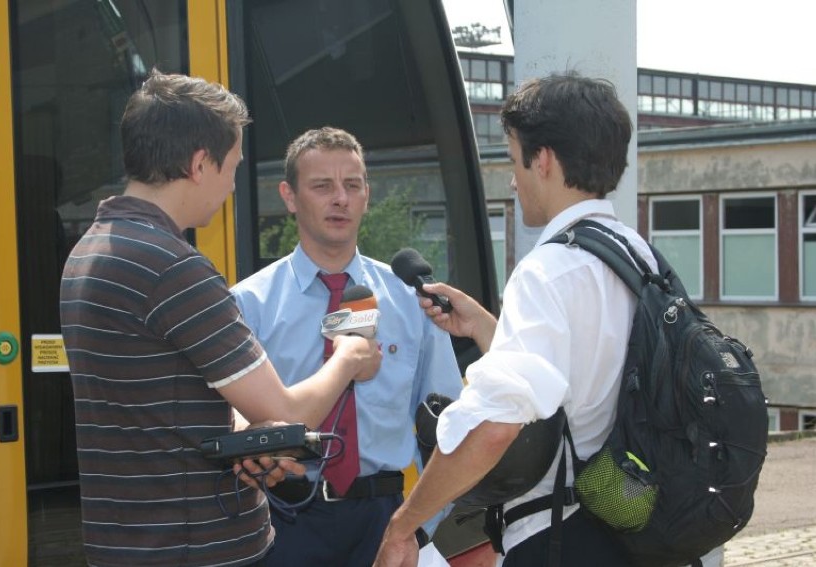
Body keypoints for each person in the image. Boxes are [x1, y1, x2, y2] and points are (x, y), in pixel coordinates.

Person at [59, 71, 381, 567]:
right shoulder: (173, 267)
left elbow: (158, 406)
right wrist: (350, 356)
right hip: (195, 548)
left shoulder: (91, 250)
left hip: (124, 542)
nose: (232, 185)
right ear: (199, 164)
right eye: (232, 167)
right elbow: (289, 414)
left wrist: (243, 441)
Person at [373, 72, 651, 567]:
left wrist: (405, 523)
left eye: (513, 156)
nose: (512, 177)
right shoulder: (637, 257)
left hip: (563, 537)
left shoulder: (547, 271)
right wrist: (484, 326)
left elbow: (495, 426)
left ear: (541, 160)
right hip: (633, 528)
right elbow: (581, 381)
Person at [230, 126, 464, 566]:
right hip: (284, 520)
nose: (340, 198)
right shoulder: (248, 304)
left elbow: (450, 427)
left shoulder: (410, 302)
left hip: (385, 521)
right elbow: (230, 416)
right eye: (322, 186)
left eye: (352, 186)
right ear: (289, 196)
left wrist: (421, 527)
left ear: (366, 196)